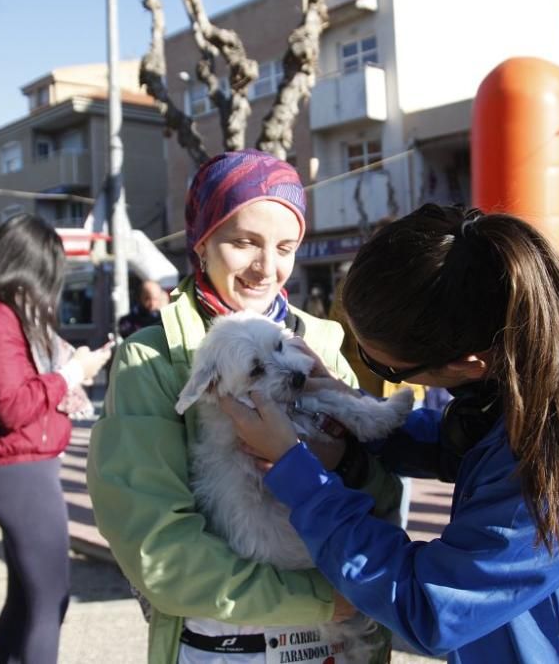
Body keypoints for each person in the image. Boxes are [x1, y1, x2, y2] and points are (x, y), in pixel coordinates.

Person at [222, 203, 559, 662]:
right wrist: (355, 421)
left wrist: (302, 480)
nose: (366, 369)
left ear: (469, 363)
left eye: (379, 363)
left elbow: (428, 607)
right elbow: (479, 445)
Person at [87, 149, 402, 664]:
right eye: (244, 242)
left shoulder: (321, 343)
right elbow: (159, 550)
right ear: (203, 239)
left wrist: (341, 459)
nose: (266, 268)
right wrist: (321, 599)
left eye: (285, 246)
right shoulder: (152, 359)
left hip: (343, 645)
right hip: (229, 644)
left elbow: (382, 495)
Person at [0, 214, 112, 664]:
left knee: (25, 599)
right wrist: (74, 372)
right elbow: (12, 405)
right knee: (47, 601)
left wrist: (67, 377)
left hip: (20, 471)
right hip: (21, 475)